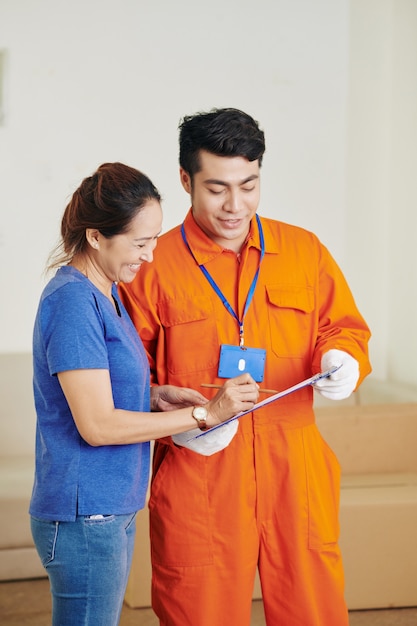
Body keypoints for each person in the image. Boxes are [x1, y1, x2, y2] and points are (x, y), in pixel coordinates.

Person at [119, 109, 372, 626]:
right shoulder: (150, 265)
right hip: (199, 472)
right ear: (186, 180)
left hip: (294, 468)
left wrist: (343, 356)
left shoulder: (304, 252)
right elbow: (124, 376)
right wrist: (177, 424)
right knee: (200, 611)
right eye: (216, 188)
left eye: (249, 184)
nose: (235, 205)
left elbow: (344, 327)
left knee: (313, 609)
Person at [29, 161, 259, 626]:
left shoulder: (107, 292)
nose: (150, 255)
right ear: (95, 236)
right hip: (86, 513)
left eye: (154, 239)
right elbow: (98, 425)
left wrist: (156, 396)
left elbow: (99, 388)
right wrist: (205, 416)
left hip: (110, 505)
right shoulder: (73, 302)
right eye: (139, 243)